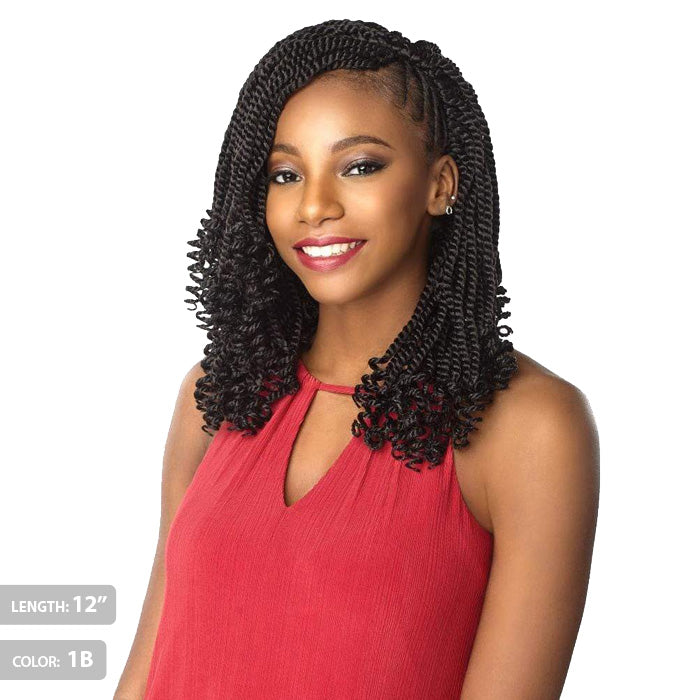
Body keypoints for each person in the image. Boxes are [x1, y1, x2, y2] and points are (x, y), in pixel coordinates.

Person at [114, 18, 599, 700]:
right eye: (286, 174)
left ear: (440, 184)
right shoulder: (217, 396)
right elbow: (146, 673)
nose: (314, 206)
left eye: (360, 166)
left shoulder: (531, 428)